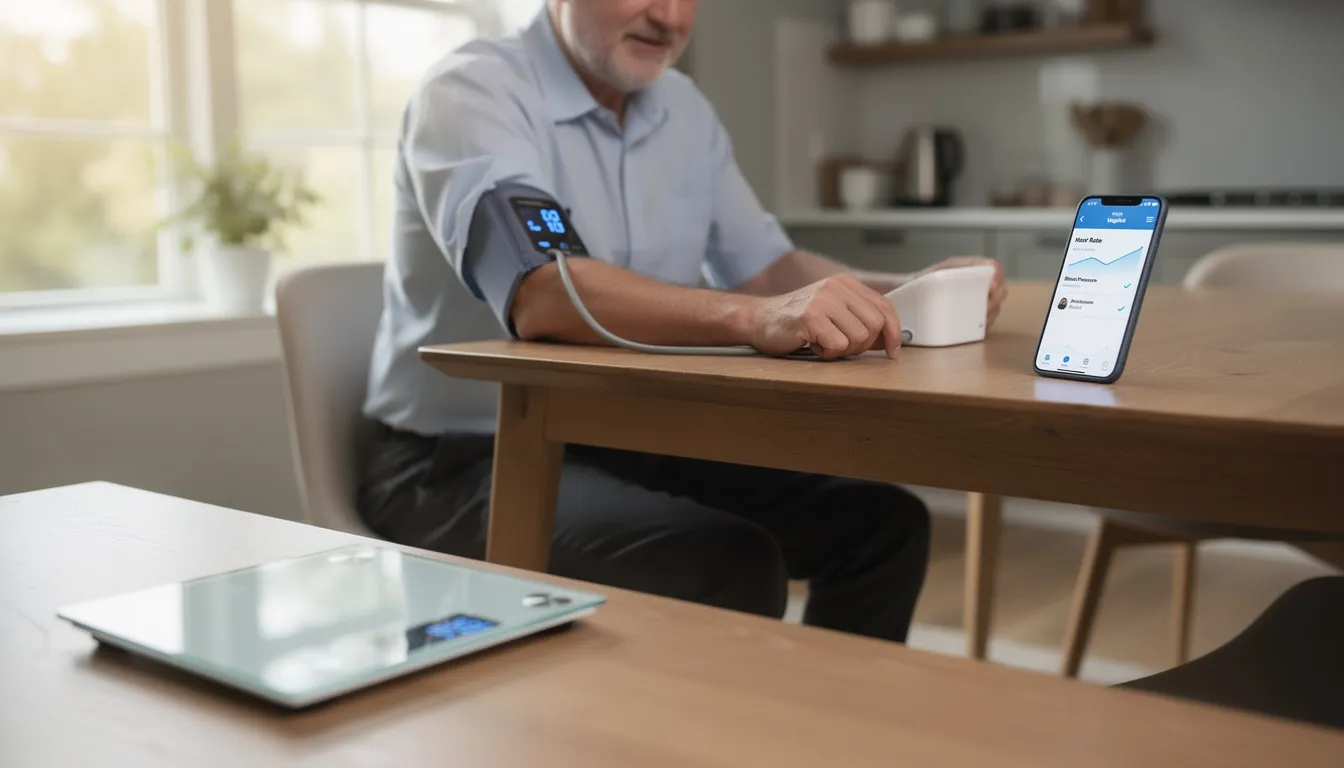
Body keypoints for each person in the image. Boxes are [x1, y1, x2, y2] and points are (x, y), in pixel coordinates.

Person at [359, 0, 1008, 643]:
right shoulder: (473, 93)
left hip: (620, 432)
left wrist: (913, 291)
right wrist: (755, 317)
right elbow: (545, 291)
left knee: (883, 529)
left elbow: (764, 270)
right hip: (458, 459)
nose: (669, 17)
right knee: (728, 563)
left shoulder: (684, 110)